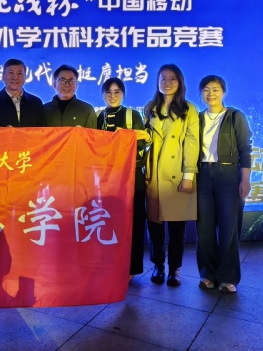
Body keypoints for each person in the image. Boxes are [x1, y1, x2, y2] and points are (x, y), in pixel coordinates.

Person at [143, 64, 199, 287]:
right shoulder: (150, 107)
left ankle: (175, 268)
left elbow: (192, 143)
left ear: (180, 82)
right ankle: (158, 265)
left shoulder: (188, 109)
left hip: (178, 174)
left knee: (177, 228)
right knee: (154, 226)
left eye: (172, 79)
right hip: (154, 174)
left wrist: (189, 176)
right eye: (163, 78)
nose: (167, 83)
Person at [196, 75, 252, 293]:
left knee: (229, 228)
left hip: (228, 175)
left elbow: (245, 148)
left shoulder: (235, 116)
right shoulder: (197, 118)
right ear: (201, 93)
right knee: (204, 228)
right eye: (206, 89)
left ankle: (228, 277)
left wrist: (245, 179)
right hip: (202, 174)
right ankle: (207, 273)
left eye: (215, 89)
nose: (211, 94)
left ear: (224, 92)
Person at [97, 77, 150, 278]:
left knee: (134, 220)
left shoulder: (131, 114)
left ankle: (132, 268)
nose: (113, 96)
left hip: (131, 174)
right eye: (108, 92)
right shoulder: (99, 117)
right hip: (108, 177)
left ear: (124, 94)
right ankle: (110, 264)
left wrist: (125, 136)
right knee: (110, 220)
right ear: (103, 95)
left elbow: (144, 142)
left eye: (117, 92)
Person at [0, 58, 46, 127]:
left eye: (19, 73)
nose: (15, 77)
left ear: (25, 77)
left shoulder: (36, 103)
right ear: (3, 76)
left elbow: (43, 131)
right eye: (11, 72)